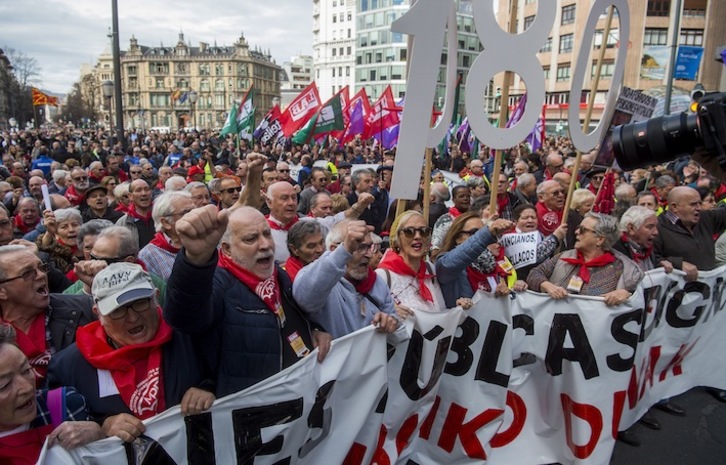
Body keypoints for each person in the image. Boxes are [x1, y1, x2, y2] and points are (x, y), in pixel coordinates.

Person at [164, 205, 331, 396]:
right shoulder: (217, 284)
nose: (265, 244)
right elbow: (185, 317)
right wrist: (194, 261)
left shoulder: (277, 275)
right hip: (255, 410)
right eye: (251, 238)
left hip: (297, 400)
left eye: (267, 234)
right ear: (226, 249)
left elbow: (292, 315)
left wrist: (314, 330)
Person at [48, 263, 214, 442]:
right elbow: (56, 433)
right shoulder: (67, 367)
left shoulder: (190, 336)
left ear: (155, 298)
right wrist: (101, 425)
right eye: (118, 310)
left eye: (140, 303)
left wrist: (210, 389)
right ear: (98, 314)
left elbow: (231, 372)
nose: (133, 318)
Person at [653, 186, 726, 403]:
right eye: (693, 204)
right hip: (674, 303)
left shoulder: (705, 219)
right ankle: (660, 389)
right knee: (671, 344)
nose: (699, 208)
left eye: (699, 203)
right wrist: (677, 263)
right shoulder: (658, 227)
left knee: (708, 338)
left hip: (706, 297)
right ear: (674, 207)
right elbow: (650, 257)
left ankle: (712, 379)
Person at [0, 325, 104, 464]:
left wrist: (101, 435)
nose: (26, 387)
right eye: (5, 385)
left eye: (26, 370)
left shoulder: (64, 406)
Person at [0, 245, 94, 387]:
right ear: (2, 291)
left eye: (41, 268)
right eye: (27, 273)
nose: (41, 275)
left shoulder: (84, 309)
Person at [292, 219, 401, 338]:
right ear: (335, 250)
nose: (369, 254)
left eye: (370, 247)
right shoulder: (321, 280)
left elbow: (398, 333)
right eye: (359, 247)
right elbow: (305, 299)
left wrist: (391, 323)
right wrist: (345, 250)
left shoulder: (377, 282)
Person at [527, 213, 643, 306]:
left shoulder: (622, 268)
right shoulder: (564, 257)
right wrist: (547, 286)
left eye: (582, 229)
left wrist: (627, 294)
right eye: (578, 228)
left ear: (600, 239)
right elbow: (534, 274)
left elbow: (641, 295)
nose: (576, 232)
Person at [435, 212, 515, 308]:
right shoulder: (448, 263)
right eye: (475, 233)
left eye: (482, 231)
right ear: (458, 238)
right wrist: (488, 233)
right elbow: (447, 264)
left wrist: (505, 294)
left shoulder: (490, 263)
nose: (480, 237)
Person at [506, 204, 567, 282]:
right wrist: (554, 238)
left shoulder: (542, 236)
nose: (530, 221)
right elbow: (533, 257)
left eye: (533, 217)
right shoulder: (510, 238)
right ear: (515, 222)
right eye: (525, 218)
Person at [116, 179, 155, 249]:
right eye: (138, 190)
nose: (144, 193)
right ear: (130, 196)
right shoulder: (123, 223)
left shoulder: (161, 217)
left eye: (146, 189)